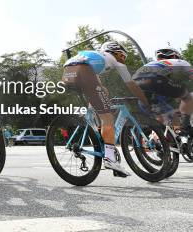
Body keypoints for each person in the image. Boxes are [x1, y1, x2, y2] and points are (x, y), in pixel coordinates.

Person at [63, 41, 148, 177]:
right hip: (84, 71)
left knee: (103, 91)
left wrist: (102, 101)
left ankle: (89, 118)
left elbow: (96, 85)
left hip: (67, 73)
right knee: (107, 117)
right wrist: (144, 100)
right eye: (123, 56)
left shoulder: (95, 57)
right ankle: (110, 158)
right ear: (116, 52)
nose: (123, 60)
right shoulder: (114, 60)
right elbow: (131, 84)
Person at [133, 47, 193, 134]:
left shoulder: (152, 64)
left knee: (166, 116)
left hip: (136, 83)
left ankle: (162, 140)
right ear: (176, 57)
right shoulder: (181, 62)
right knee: (187, 97)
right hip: (155, 81)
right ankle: (185, 127)